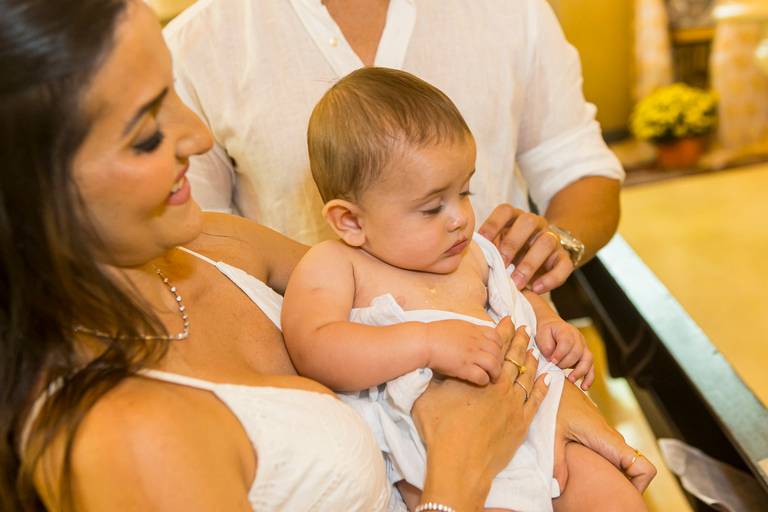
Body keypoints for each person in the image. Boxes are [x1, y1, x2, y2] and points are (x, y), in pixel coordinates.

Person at [0, 1, 654, 510]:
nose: (197, 135)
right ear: (31, 185)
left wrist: (542, 383)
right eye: (145, 134)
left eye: (172, 90)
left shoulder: (216, 246)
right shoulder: (126, 440)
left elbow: (420, 289)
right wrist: (458, 470)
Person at [281, 67, 645, 511]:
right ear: (351, 221)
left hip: (537, 413)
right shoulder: (337, 265)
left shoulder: (474, 253)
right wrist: (425, 342)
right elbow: (314, 346)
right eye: (432, 208)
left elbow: (515, 295)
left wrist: (549, 324)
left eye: (466, 191)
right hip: (440, 450)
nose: (459, 218)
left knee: (615, 496)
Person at [164, 0, 625, 294]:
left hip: (511, 349)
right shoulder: (197, 45)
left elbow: (579, 169)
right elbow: (198, 243)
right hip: (313, 381)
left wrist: (557, 244)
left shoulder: (510, 10)